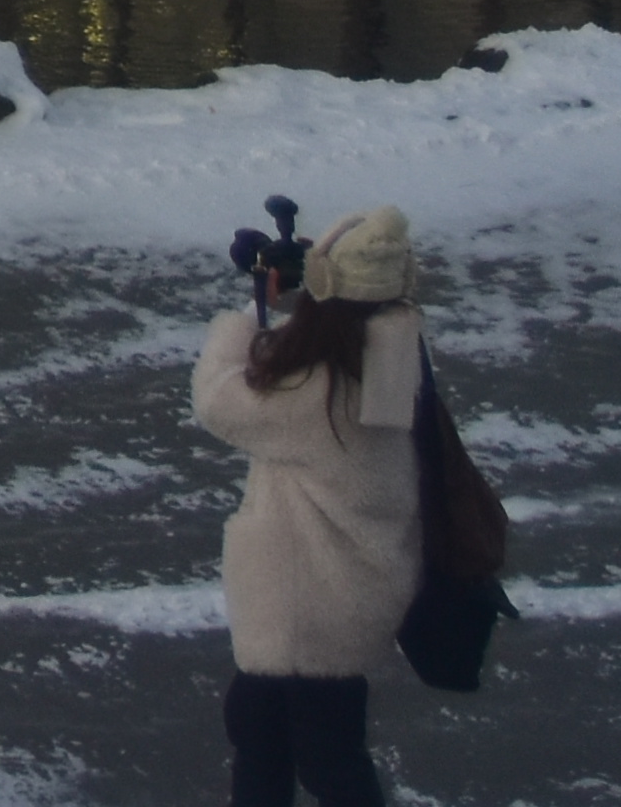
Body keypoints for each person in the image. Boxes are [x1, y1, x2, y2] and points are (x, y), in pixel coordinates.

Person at [190, 202, 429, 806]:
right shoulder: (387, 352)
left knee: (323, 762)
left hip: (306, 611)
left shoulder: (316, 393)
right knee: (266, 732)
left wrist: (253, 309)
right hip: (346, 595)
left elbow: (219, 399)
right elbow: (307, 350)